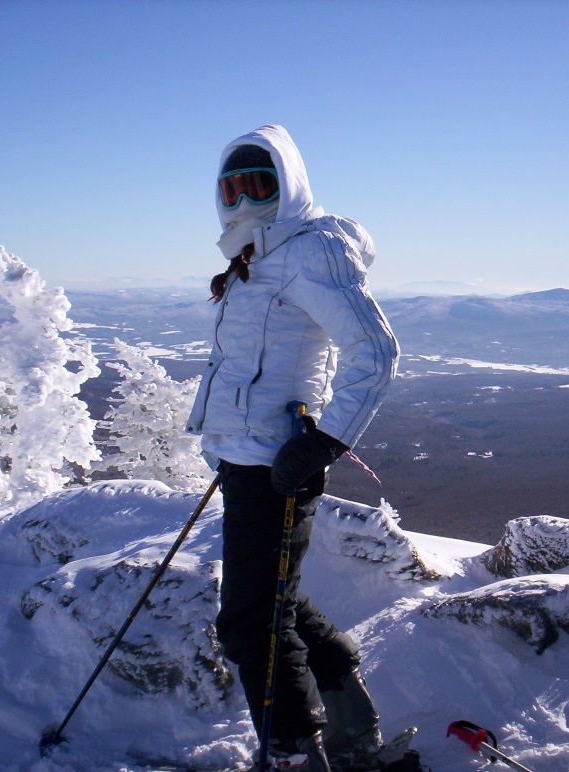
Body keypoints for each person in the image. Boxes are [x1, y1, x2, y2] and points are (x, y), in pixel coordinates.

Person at [185, 125, 402, 771]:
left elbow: (377, 351)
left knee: (253, 626)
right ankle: (353, 734)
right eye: (233, 188)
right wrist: (225, 444)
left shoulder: (310, 252)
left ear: (290, 186)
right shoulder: (258, 255)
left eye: (261, 183)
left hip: (279, 466)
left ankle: (293, 756)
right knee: (274, 605)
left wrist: (324, 443)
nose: (246, 199)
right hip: (247, 459)